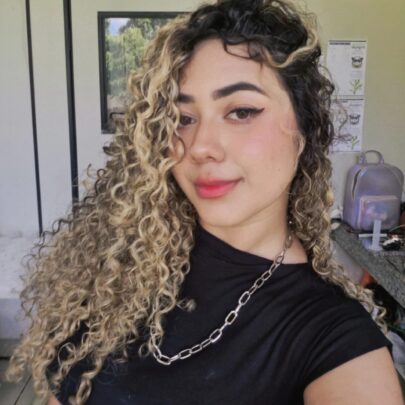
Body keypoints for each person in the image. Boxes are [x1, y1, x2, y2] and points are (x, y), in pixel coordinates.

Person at [6, 0, 403, 404]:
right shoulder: (122, 260)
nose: (199, 147)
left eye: (241, 111)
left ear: (305, 129)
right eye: (182, 118)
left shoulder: (334, 337)